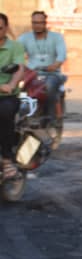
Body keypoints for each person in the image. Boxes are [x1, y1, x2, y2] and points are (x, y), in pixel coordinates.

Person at [18, 11, 67, 122]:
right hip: (31, 73)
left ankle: (52, 118)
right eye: (34, 23)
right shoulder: (25, 38)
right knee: (17, 88)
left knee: (49, 86)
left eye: (40, 23)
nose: (37, 25)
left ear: (45, 23)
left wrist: (55, 65)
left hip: (52, 74)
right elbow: (16, 53)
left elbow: (62, 55)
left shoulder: (57, 37)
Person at [0, 13, 31, 181]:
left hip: (6, 95)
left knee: (4, 113)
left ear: (6, 28)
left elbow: (19, 68)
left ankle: (6, 160)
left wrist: (11, 85)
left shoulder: (15, 47)